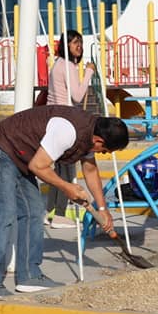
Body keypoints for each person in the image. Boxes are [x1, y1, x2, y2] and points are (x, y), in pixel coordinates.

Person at [0, 105, 129, 298]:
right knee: (4, 214)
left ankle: (29, 276)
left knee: (33, 212)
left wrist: (102, 208)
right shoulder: (68, 131)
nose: (102, 153)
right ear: (98, 140)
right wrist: (67, 187)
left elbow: (90, 171)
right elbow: (38, 166)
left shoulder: (90, 133)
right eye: (104, 150)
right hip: (1, 151)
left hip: (22, 158)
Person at [46, 29, 97, 228]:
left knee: (58, 170)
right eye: (75, 42)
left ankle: (48, 211)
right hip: (64, 122)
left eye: (80, 42)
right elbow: (77, 95)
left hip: (54, 118)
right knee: (66, 170)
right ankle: (58, 214)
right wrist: (89, 73)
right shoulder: (67, 66)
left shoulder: (57, 64)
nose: (79, 46)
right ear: (66, 45)